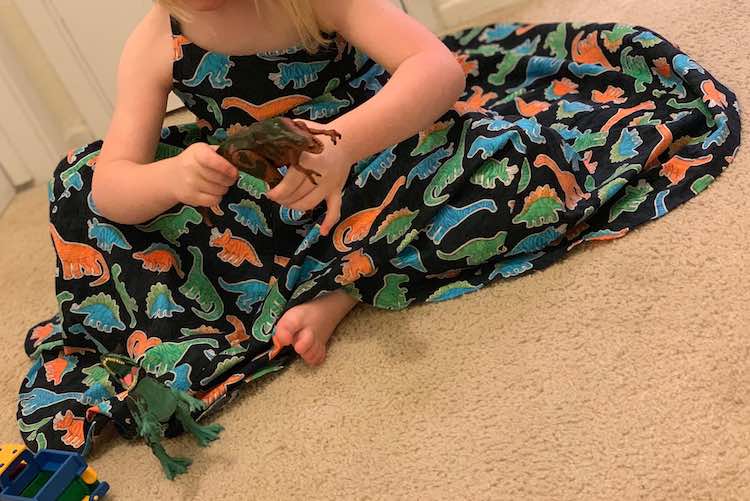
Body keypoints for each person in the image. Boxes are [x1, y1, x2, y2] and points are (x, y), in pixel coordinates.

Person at [18, 0, 741, 464]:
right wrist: (176, 179)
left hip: (378, 152)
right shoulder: (156, 39)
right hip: (262, 202)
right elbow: (114, 186)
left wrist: (343, 145)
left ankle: (343, 287)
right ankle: (334, 273)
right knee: (78, 186)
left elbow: (436, 70)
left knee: (512, 170)